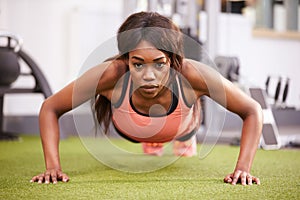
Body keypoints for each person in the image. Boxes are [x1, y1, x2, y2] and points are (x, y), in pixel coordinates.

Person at [30, 11, 262, 185]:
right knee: (146, 130)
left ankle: (182, 138)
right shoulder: (111, 74)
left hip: (181, 125)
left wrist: (243, 168)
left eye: (159, 64)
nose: (148, 76)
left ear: (172, 60)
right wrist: (53, 167)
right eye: (138, 64)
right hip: (128, 128)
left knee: (183, 128)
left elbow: (252, 110)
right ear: (126, 59)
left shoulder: (192, 74)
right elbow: (50, 108)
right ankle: (152, 139)